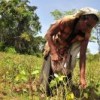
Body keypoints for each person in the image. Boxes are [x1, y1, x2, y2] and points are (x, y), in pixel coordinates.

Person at [39, 7, 99, 96]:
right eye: (88, 25)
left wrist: (82, 77)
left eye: (91, 27)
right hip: (54, 44)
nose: (89, 29)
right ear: (82, 18)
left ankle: (63, 89)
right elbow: (49, 34)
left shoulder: (86, 33)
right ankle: (44, 91)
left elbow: (82, 55)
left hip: (66, 49)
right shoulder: (67, 20)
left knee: (67, 72)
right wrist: (54, 52)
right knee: (48, 72)